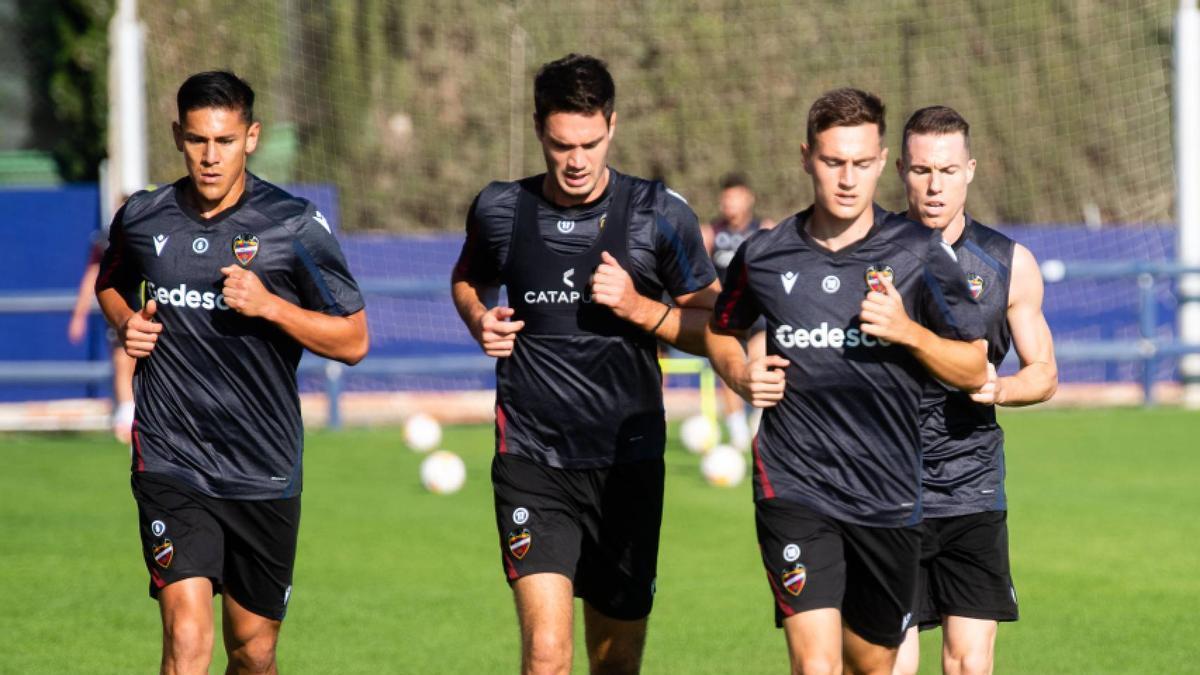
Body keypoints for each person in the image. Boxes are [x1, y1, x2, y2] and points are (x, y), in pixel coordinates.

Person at [704, 88, 988, 675]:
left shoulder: (919, 252)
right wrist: (741, 372)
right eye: (834, 162)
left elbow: (974, 366)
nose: (848, 179)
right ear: (807, 157)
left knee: (872, 663)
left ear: (884, 160)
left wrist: (910, 333)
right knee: (816, 664)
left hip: (887, 493)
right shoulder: (765, 254)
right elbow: (719, 331)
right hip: (794, 485)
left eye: (862, 163)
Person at [450, 53, 719, 674]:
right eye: (562, 144)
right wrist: (478, 318)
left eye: (590, 144)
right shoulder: (499, 209)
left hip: (628, 464)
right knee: (547, 655)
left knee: (615, 661)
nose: (576, 160)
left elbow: (716, 331)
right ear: (540, 128)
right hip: (533, 459)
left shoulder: (659, 213)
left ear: (613, 127)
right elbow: (469, 280)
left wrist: (638, 307)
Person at [95, 71, 368, 675]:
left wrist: (270, 304)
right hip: (172, 458)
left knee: (253, 650)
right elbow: (110, 282)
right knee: (188, 641)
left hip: (263, 466)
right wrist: (125, 323)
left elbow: (353, 340)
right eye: (197, 141)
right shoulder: (143, 218)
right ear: (177, 136)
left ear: (251, 137)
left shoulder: (292, 225)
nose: (210, 157)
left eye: (224, 140)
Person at [891, 106, 1057, 675]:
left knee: (969, 663)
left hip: (970, 485)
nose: (934, 186)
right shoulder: (868, 254)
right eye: (920, 171)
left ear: (970, 171)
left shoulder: (1010, 262)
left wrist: (1001, 389)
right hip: (886, 485)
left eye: (947, 170)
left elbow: (1044, 373)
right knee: (889, 662)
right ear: (900, 172)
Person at [701, 173, 775, 449]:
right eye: (726, 198)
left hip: (758, 313)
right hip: (726, 316)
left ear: (748, 199)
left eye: (736, 197)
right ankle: (737, 433)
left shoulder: (764, 229)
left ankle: (758, 423)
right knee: (729, 370)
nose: (730, 203)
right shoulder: (710, 234)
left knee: (760, 364)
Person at [68, 221, 136, 443]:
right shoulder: (109, 237)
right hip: (120, 308)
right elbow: (92, 274)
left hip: (148, 306)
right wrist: (79, 316)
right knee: (122, 359)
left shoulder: (159, 232)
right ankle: (126, 417)